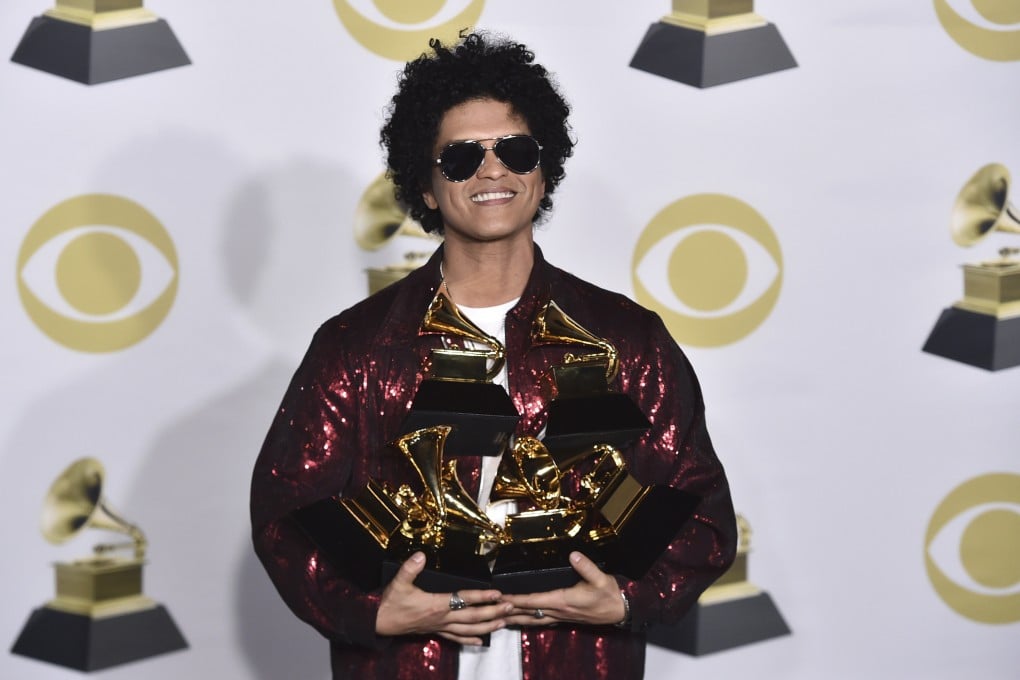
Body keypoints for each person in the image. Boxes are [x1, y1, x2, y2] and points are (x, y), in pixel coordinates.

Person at [250, 32, 737, 680]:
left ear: (542, 168)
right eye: (460, 157)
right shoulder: (356, 348)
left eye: (514, 149)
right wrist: (373, 611)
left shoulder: (628, 338)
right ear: (425, 186)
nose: (491, 170)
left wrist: (625, 600)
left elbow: (701, 512)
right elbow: (286, 510)